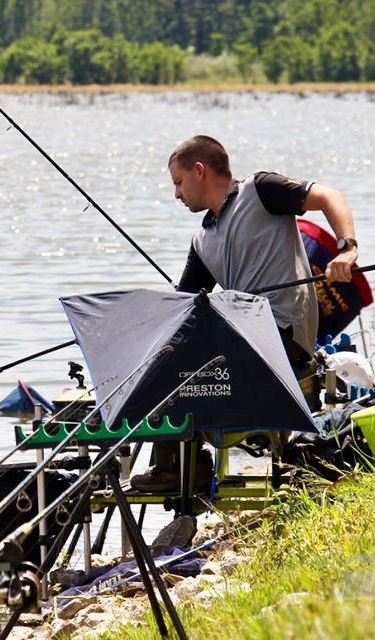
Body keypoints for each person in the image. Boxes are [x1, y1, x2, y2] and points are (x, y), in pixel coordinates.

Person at [130, 135, 360, 492]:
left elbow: (331, 197)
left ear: (200, 170)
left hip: (284, 335)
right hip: (243, 342)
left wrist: (346, 250)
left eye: (178, 182)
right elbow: (182, 308)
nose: (176, 193)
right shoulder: (202, 240)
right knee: (169, 354)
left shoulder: (261, 190)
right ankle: (179, 467)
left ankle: (182, 465)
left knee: (187, 361)